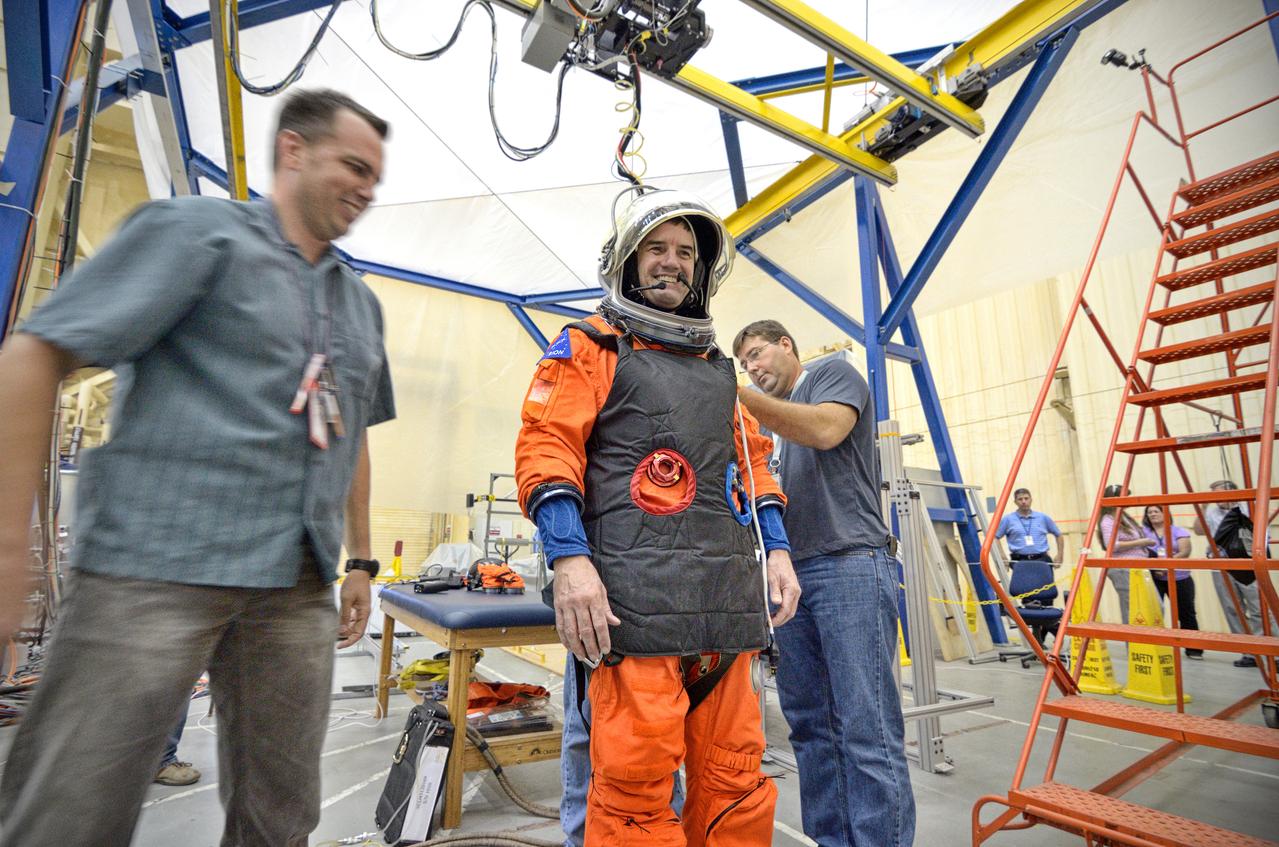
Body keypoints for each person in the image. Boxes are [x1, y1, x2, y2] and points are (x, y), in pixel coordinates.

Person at [0, 89, 395, 845]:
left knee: (282, 813)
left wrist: (361, 561)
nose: (367, 189)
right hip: (154, 571)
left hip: (295, 585)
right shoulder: (195, 235)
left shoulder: (359, 304)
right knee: (72, 806)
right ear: (292, 151)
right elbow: (34, 353)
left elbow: (353, 436)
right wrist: (6, 547)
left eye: (375, 176)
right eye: (353, 166)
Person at [515, 188, 800, 845]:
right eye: (656, 249)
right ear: (626, 260)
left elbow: (754, 465)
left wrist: (779, 551)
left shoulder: (719, 371)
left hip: (724, 611)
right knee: (633, 791)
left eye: (685, 253)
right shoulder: (588, 346)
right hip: (632, 611)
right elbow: (548, 446)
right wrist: (569, 559)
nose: (672, 262)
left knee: (734, 783)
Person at [733, 320, 915, 847]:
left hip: (848, 564)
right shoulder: (765, 430)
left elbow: (826, 430)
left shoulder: (831, 375)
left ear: (786, 345)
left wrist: (734, 393)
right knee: (811, 729)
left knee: (866, 727)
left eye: (757, 354)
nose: (752, 368)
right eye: (743, 364)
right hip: (789, 579)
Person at [1194, 479, 1263, 667]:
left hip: (1247, 562)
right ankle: (1249, 652)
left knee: (1259, 607)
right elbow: (1199, 530)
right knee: (1232, 608)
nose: (1216, 499)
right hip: (1221, 564)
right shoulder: (1211, 511)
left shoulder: (1248, 508)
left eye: (1219, 494)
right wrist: (1203, 507)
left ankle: (1270, 649)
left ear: (1232, 492)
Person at [1141, 505, 1201, 658]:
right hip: (1155, 578)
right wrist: (1156, 567)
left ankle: (1193, 648)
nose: (1152, 514)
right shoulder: (1143, 532)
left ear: (1165, 514)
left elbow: (1185, 551)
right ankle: (1156, 647)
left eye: (1156, 511)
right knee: (1154, 612)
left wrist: (1165, 564)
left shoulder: (1178, 531)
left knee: (1186, 613)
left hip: (1179, 578)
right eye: (1149, 512)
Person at [1096, 484, 1157, 624]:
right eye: (1125, 497)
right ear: (1115, 499)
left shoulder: (1124, 517)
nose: (1128, 499)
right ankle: (1132, 637)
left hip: (1138, 566)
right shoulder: (1108, 520)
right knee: (1131, 608)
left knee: (1153, 605)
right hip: (1123, 568)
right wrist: (1141, 542)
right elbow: (1112, 545)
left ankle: (1144, 636)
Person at [994, 488, 1064, 567]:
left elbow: (1059, 535)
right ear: (1015, 502)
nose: (1023, 501)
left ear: (1031, 500)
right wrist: (1002, 556)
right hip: (1019, 561)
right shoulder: (1008, 519)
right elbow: (995, 537)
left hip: (1042, 560)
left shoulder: (1043, 518)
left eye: (1026, 498)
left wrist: (1060, 555)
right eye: (1020, 499)